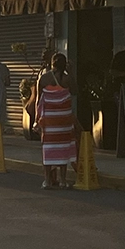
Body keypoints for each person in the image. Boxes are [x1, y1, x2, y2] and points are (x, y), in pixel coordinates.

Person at [38, 52, 77, 188]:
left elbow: (39, 101)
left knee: (48, 149)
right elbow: (75, 91)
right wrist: (71, 72)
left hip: (49, 121)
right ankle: (63, 180)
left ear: (52, 63)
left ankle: (47, 180)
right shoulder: (66, 79)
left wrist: (37, 121)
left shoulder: (43, 78)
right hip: (64, 120)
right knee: (63, 148)